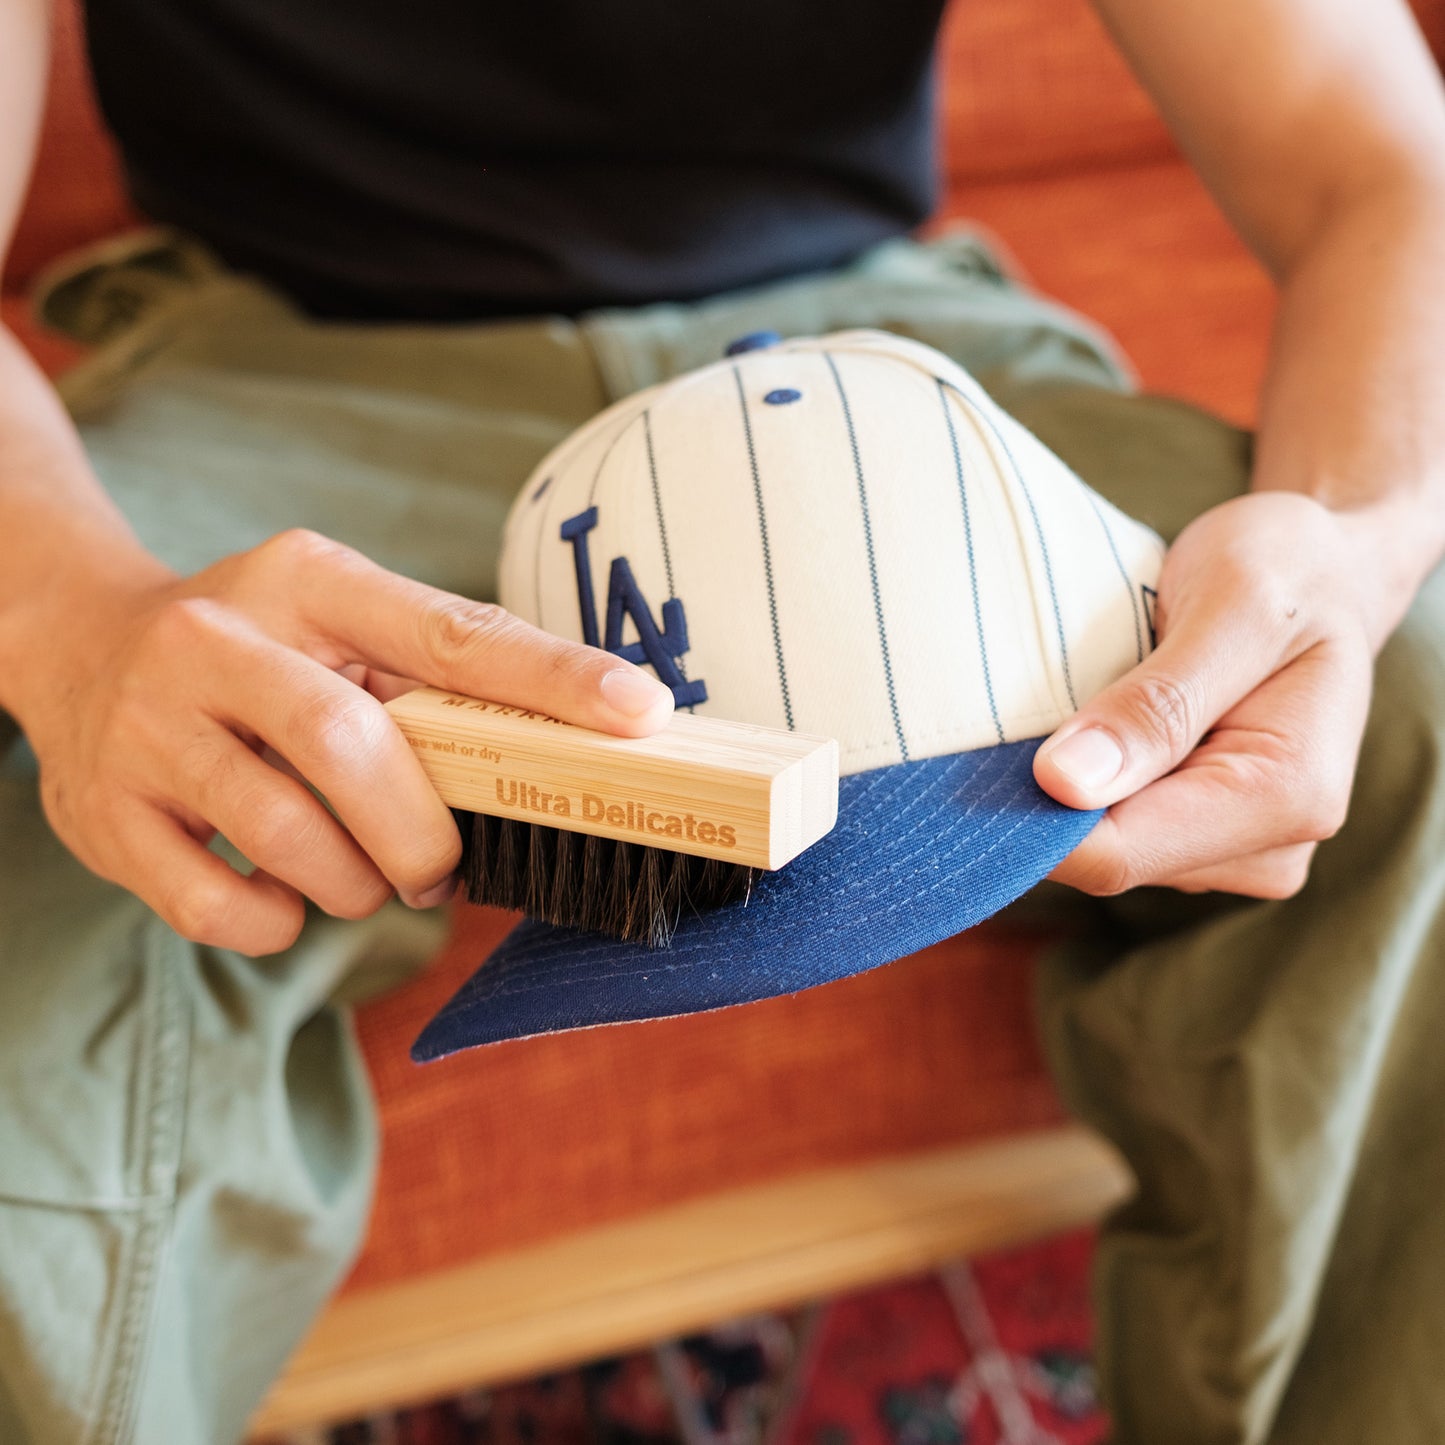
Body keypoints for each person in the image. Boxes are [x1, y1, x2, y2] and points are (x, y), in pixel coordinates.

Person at [1, 0, 1443, 1440]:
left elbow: (1377, 163)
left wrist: (1356, 541)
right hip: (287, 369)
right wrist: (68, 626)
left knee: (1413, 693)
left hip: (872, 360)